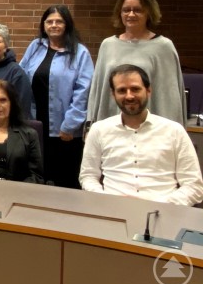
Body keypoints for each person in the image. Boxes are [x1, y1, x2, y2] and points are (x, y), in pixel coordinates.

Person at [80, 64, 203, 206]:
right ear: (113, 94)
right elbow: (88, 176)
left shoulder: (174, 131)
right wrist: (105, 201)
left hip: (165, 212)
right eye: (121, 90)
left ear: (148, 90)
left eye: (135, 89)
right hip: (113, 211)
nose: (129, 96)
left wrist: (164, 205)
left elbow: (194, 185)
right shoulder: (99, 130)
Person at [87, 0, 185, 126]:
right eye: (126, 10)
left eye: (137, 10)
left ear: (148, 13)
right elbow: (96, 91)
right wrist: (90, 123)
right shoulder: (107, 45)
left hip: (150, 131)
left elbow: (170, 98)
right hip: (112, 128)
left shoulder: (163, 47)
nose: (131, 14)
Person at [19, 5, 93, 188]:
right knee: (37, 177)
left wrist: (70, 125)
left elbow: (83, 90)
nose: (54, 25)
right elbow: (21, 75)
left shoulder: (80, 52)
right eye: (49, 21)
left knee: (63, 180)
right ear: (43, 25)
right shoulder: (35, 46)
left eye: (58, 21)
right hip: (35, 124)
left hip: (64, 130)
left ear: (67, 24)